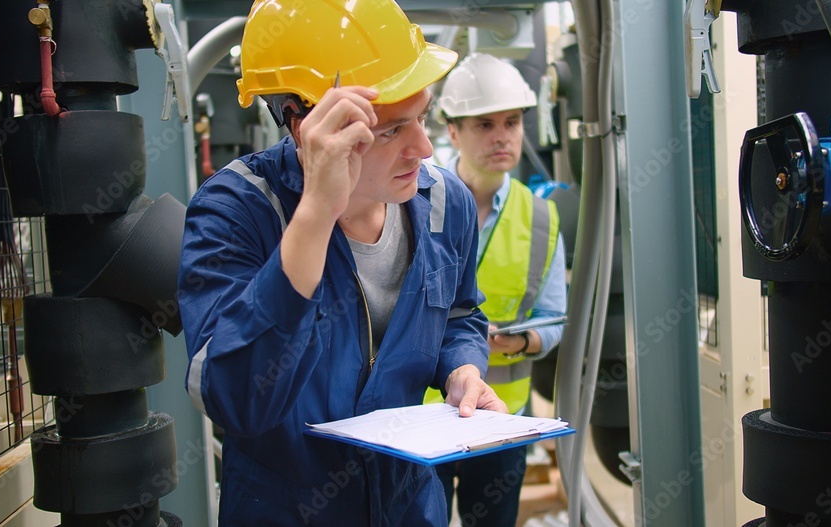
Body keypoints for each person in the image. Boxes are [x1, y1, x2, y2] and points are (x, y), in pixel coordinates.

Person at [177, 2, 506, 526]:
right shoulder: (238, 212)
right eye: (390, 130)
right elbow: (237, 400)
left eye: (420, 117)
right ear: (306, 124)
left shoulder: (445, 202)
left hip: (408, 504)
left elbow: (460, 316)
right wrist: (314, 216)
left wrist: (462, 370)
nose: (422, 148)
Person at [428, 53, 568, 527]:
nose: (502, 136)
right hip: (422, 415)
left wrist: (520, 341)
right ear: (452, 131)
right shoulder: (414, 201)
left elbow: (554, 319)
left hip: (501, 416)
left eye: (512, 122)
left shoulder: (543, 219)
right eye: (484, 124)